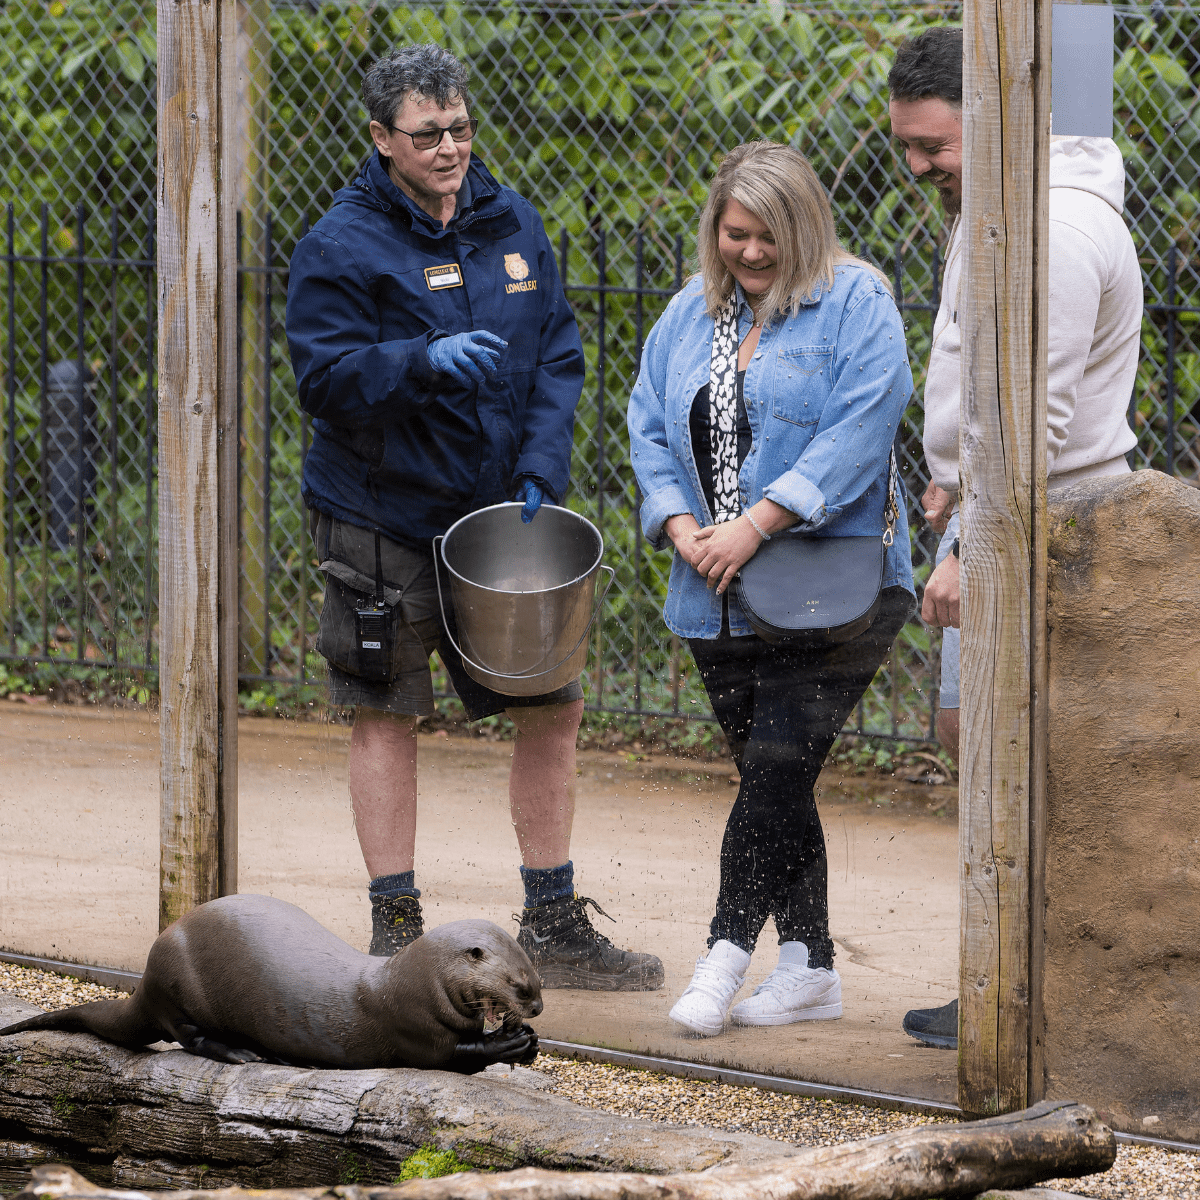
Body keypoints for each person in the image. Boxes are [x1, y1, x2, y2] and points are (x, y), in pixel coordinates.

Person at [285, 43, 663, 992]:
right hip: (381, 514)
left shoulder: (512, 222)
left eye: (459, 128)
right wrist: (417, 363)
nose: (449, 148)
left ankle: (553, 920)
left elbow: (559, 354)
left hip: (499, 512)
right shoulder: (340, 244)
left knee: (556, 704)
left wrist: (542, 460)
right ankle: (396, 931)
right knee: (385, 712)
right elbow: (323, 381)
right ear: (382, 139)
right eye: (426, 134)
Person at [888, 27, 1143, 1048]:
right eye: (906, 144)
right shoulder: (997, 201)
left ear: (995, 121)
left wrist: (962, 552)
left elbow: (1034, 421)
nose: (917, 167)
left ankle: (1041, 987)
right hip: (994, 510)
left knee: (1037, 759)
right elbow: (985, 383)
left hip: (1053, 528)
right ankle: (1010, 973)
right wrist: (948, 482)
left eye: (933, 145)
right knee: (975, 736)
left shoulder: (1062, 227)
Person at [627, 140, 916, 1036]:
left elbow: (863, 426)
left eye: (767, 238)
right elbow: (646, 425)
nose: (748, 254)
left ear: (804, 230)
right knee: (773, 778)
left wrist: (757, 522)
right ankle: (810, 966)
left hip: (834, 584)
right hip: (713, 588)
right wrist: (679, 525)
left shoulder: (854, 302)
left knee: (779, 765)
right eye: (733, 234)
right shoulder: (688, 314)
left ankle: (721, 954)